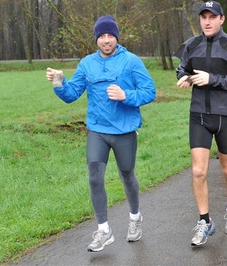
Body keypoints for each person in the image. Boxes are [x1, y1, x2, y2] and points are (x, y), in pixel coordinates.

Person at [45, 15, 156, 252]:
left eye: (110, 35)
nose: (106, 40)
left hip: (124, 131)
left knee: (127, 176)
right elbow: (71, 94)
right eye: (102, 36)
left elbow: (150, 91)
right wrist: (58, 83)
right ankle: (104, 230)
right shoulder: (87, 64)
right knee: (95, 177)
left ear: (116, 37)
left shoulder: (131, 61)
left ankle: (135, 218)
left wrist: (127, 96)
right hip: (97, 130)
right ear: (96, 39)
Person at [176, 1, 227, 246]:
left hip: (226, 117)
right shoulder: (191, 45)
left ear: (221, 19)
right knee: (198, 170)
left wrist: (212, 79)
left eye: (212, 17)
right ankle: (205, 221)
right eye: (203, 17)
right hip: (199, 115)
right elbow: (181, 69)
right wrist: (184, 77)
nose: (207, 21)